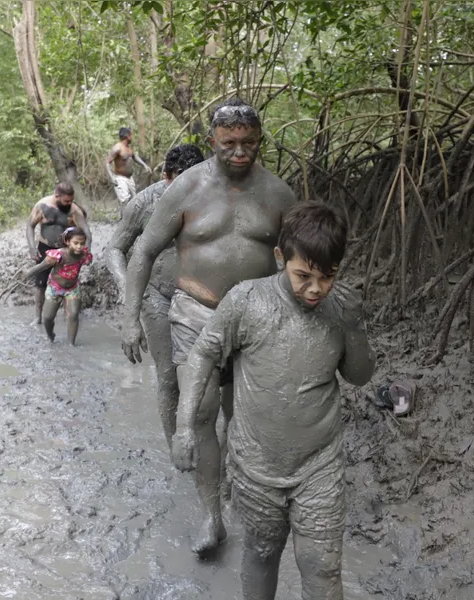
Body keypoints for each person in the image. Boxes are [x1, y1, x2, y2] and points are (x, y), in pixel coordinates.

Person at [172, 202, 375, 600]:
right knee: (261, 554)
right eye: (303, 276)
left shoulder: (338, 311)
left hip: (318, 467)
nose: (315, 288)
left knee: (322, 567)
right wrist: (184, 426)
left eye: (328, 277)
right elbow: (203, 355)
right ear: (281, 258)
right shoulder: (247, 301)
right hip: (255, 468)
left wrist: (355, 327)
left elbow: (359, 375)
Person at [120, 98, 296, 556]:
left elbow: (304, 259)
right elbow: (141, 252)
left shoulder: (279, 194)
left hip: (257, 317)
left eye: (249, 143)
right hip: (195, 313)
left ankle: (248, 496)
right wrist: (129, 318)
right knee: (200, 412)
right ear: (211, 142)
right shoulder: (185, 188)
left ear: (261, 142)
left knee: (246, 417)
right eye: (229, 144)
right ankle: (211, 516)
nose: (240, 152)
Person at [105, 144, 206, 448]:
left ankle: (211, 448)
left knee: (212, 375)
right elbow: (114, 250)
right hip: (156, 295)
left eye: (195, 180)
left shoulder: (216, 196)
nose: (188, 189)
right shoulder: (144, 203)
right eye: (180, 181)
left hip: (203, 297)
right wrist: (129, 298)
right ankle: (176, 449)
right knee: (170, 377)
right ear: (165, 176)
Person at [25, 182, 92, 326]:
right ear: (57, 196)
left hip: (66, 251)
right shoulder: (42, 206)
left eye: (71, 200)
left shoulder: (74, 211)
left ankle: (68, 314)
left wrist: (87, 251)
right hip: (45, 248)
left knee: (67, 281)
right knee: (40, 283)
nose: (70, 203)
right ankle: (38, 317)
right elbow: (30, 226)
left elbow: (87, 232)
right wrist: (31, 247)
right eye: (66, 201)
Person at [20, 227, 92, 346]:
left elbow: (88, 260)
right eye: (76, 243)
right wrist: (28, 273)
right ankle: (50, 336)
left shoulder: (83, 254)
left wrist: (88, 259)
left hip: (72, 288)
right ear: (68, 242)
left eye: (82, 244)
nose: (79, 246)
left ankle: (71, 344)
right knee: (48, 318)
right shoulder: (58, 255)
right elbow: (41, 266)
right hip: (55, 288)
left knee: (73, 314)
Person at [106, 126, 150, 209]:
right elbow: (107, 163)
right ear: (127, 136)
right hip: (120, 179)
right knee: (125, 201)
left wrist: (144, 165)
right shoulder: (117, 148)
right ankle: (125, 221)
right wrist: (111, 177)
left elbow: (135, 157)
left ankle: (132, 220)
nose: (132, 137)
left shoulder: (129, 147)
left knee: (134, 200)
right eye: (131, 135)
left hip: (130, 179)